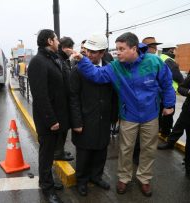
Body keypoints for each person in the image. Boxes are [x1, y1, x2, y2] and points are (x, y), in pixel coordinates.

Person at [70, 32, 175, 197]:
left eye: (121, 49)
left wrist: (169, 104)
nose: (117, 52)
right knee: (125, 149)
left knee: (148, 149)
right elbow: (96, 75)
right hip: (129, 115)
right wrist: (82, 60)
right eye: (116, 48)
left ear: (133, 48)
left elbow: (167, 83)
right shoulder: (115, 67)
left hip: (151, 115)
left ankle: (144, 179)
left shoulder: (153, 62)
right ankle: (124, 178)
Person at [69, 34, 117, 196]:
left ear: (102, 52)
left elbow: (114, 95)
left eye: (93, 52)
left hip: (103, 119)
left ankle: (96, 177)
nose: (88, 54)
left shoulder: (111, 68)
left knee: (101, 150)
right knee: (84, 153)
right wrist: (76, 121)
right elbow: (73, 97)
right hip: (84, 119)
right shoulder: (77, 70)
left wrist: (113, 117)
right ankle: (81, 180)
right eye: (87, 50)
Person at [27, 29, 69, 203]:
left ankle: (47, 181)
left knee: (50, 152)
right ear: (50, 41)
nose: (59, 42)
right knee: (46, 154)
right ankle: (47, 188)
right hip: (48, 120)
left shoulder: (52, 58)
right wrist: (51, 120)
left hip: (57, 116)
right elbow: (40, 95)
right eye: (57, 39)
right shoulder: (38, 62)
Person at [132, 37, 163, 165]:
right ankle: (136, 156)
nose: (154, 49)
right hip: (137, 108)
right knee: (138, 136)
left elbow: (164, 83)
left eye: (155, 47)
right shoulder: (137, 63)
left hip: (154, 105)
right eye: (152, 46)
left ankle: (141, 160)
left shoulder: (157, 62)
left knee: (148, 139)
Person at [54, 36, 75, 161]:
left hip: (65, 101)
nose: (72, 50)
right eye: (70, 47)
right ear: (63, 48)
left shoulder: (64, 59)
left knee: (64, 128)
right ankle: (58, 153)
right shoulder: (59, 60)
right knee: (61, 129)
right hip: (61, 102)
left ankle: (60, 150)